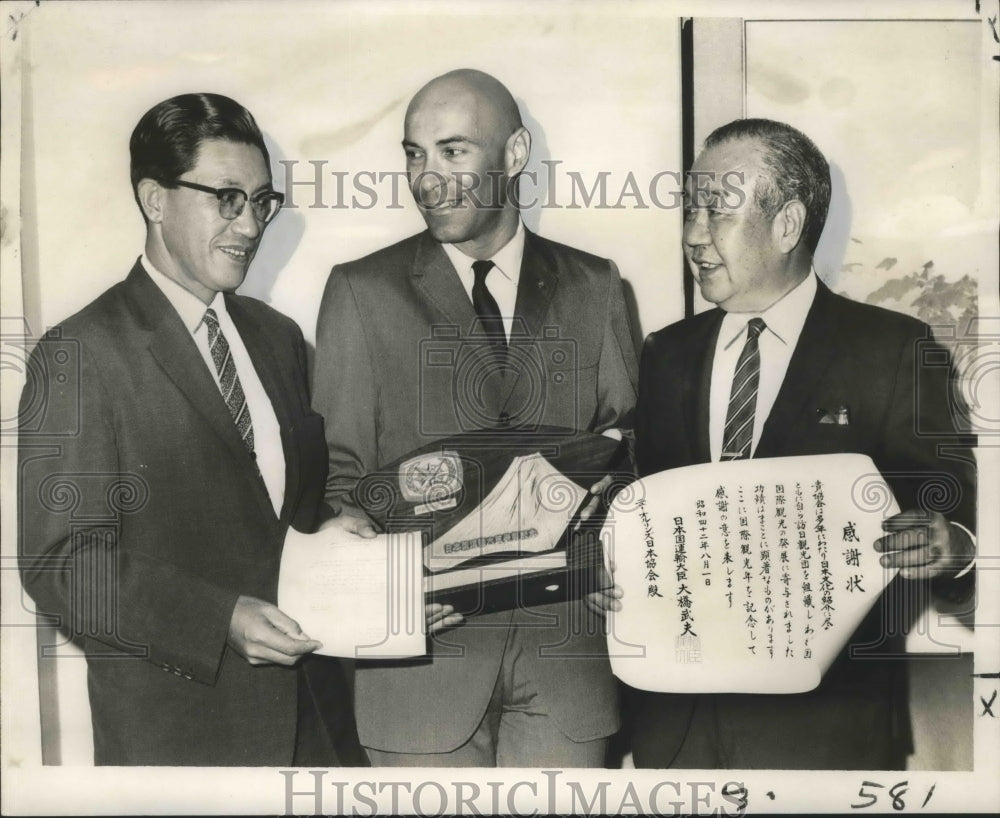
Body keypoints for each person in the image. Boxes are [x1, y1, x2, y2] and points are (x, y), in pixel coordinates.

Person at [17, 93, 365, 766]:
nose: (250, 225)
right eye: (226, 198)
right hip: (184, 738)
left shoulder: (279, 337)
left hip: (316, 725)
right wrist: (219, 618)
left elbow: (281, 514)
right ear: (154, 198)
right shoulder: (81, 354)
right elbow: (63, 564)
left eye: (262, 201)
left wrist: (336, 534)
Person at [625, 117, 976, 769]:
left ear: (787, 224)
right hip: (678, 734)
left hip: (825, 735)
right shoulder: (664, 355)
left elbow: (952, 508)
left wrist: (949, 544)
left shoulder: (895, 351)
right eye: (690, 209)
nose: (692, 236)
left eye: (716, 212)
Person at [312, 69, 638, 766]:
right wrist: (382, 598)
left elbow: (629, 453)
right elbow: (337, 481)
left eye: (453, 152)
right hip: (419, 667)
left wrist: (619, 537)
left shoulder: (596, 284)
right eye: (413, 154)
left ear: (514, 153)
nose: (427, 178)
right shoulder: (359, 291)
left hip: (568, 663)